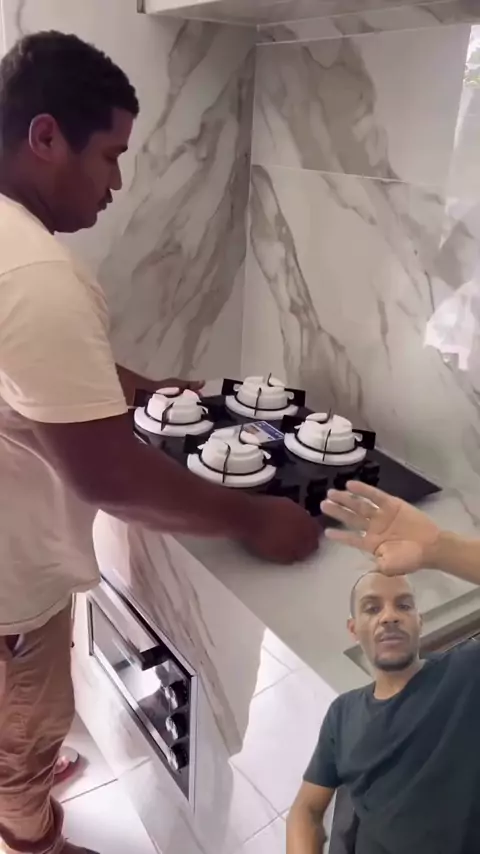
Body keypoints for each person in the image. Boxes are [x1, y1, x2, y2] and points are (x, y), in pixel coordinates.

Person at [0, 31, 319, 854]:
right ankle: (31, 835)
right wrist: (256, 518)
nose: (117, 182)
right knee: (25, 732)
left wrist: (142, 388)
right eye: (110, 155)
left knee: (16, 725)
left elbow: (36, 368)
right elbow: (109, 475)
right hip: (9, 597)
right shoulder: (34, 272)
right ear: (46, 137)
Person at [287, 480, 480, 854]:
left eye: (403, 605)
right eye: (372, 608)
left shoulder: (467, 672)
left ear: (420, 622)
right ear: (354, 629)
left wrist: (439, 549)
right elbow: (306, 810)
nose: (389, 616)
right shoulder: (342, 713)